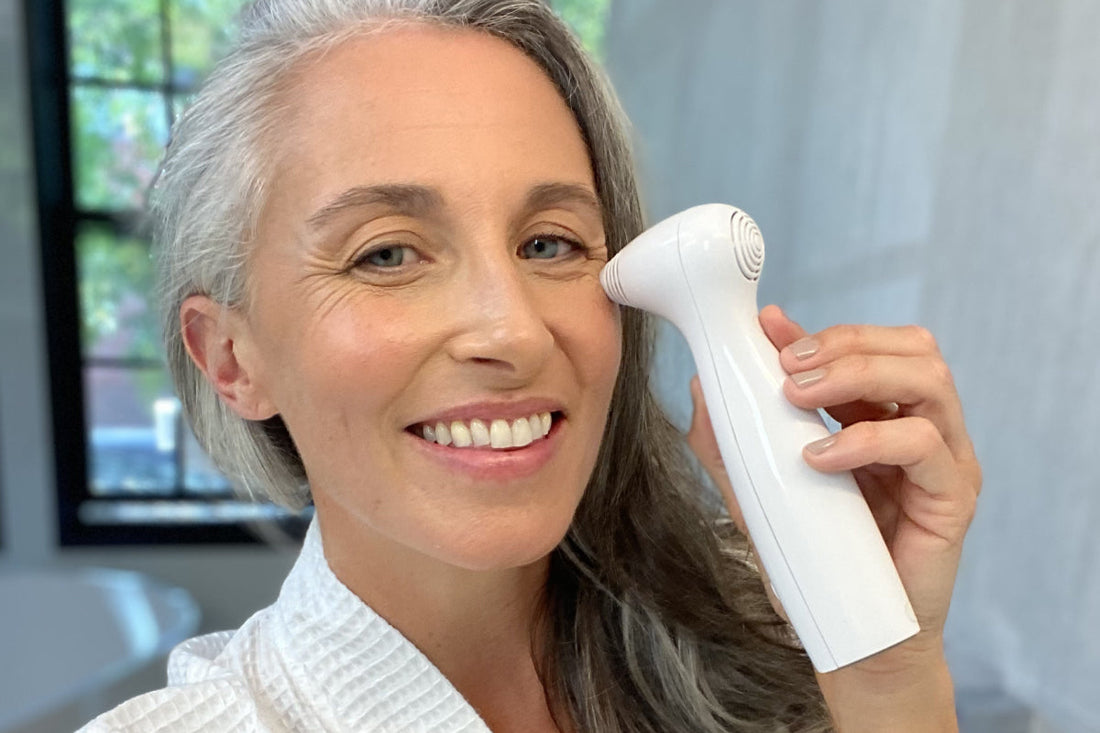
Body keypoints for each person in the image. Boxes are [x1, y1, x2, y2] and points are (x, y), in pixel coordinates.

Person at [79, 0, 982, 731]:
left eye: (551, 242)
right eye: (386, 254)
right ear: (231, 358)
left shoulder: (765, 615)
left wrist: (882, 669)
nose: (511, 332)